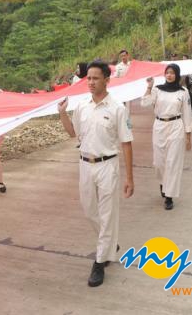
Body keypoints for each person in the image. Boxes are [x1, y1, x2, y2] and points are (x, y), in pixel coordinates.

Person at [58, 60, 134, 288]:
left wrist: (130, 177)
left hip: (107, 165)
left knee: (108, 213)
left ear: (106, 80)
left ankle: (100, 262)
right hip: (85, 164)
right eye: (88, 78)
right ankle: (110, 243)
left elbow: (127, 143)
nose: (90, 82)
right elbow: (74, 134)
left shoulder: (118, 108)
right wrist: (62, 114)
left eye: (95, 78)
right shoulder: (82, 106)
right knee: (90, 210)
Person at [141, 64, 192, 210]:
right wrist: (149, 87)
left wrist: (188, 135)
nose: (169, 75)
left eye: (172, 73)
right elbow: (145, 102)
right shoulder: (158, 89)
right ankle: (163, 182)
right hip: (159, 126)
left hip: (176, 126)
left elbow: (187, 113)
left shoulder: (183, 92)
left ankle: (169, 197)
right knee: (159, 162)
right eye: (167, 73)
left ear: (177, 75)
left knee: (173, 162)